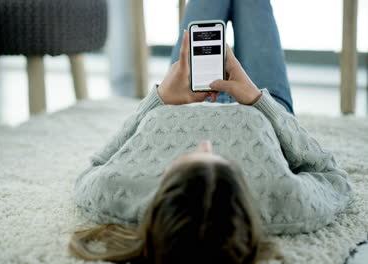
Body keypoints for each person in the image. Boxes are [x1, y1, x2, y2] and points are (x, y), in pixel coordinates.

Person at [69, 0, 353, 263]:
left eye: (185, 159)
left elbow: (94, 167)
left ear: (162, 192)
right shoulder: (285, 203)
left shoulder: (118, 196)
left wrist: (159, 99)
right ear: (243, 196)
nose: (206, 143)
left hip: (182, 95)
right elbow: (333, 177)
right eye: (226, 161)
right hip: (258, 101)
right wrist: (257, 99)